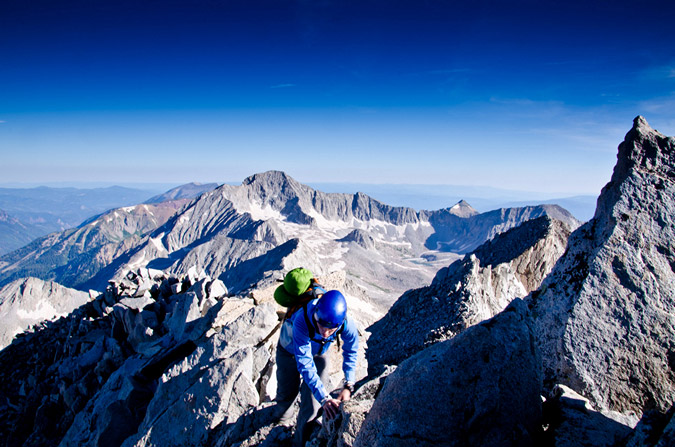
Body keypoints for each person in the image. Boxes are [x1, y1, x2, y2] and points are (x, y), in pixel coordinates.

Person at [273, 272, 359, 446]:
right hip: (288, 350)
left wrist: (349, 383)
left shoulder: (345, 323)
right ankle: (281, 423)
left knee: (312, 405)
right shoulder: (302, 320)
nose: (325, 332)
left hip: (317, 352)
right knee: (286, 392)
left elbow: (351, 350)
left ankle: (299, 441)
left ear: (340, 323)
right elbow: (304, 364)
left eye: (331, 329)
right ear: (316, 313)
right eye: (321, 324)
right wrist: (325, 397)